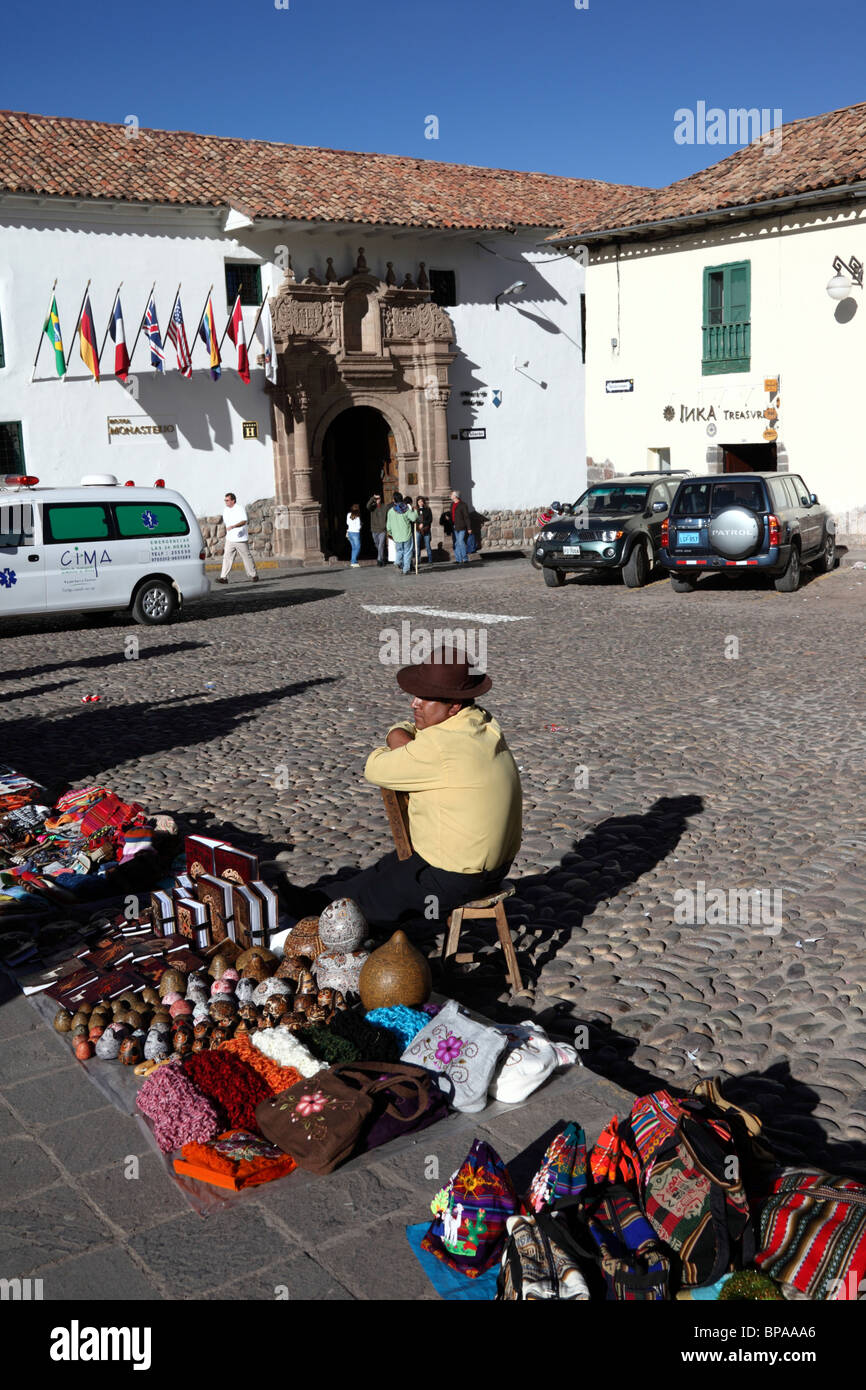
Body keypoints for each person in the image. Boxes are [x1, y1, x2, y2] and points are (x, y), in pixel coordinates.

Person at [278, 646, 523, 932]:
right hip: (491, 868)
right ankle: (312, 900)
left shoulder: (441, 747)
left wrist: (398, 740)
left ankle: (317, 921)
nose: (414, 704)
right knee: (381, 871)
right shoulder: (481, 722)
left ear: (453, 706)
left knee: (365, 906)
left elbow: (376, 767)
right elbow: (413, 731)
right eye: (415, 695)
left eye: (425, 699)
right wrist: (401, 735)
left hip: (454, 878)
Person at [217, 492, 259, 584]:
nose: (226, 502)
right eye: (225, 500)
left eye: (227, 500)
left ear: (233, 500)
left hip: (240, 539)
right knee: (227, 557)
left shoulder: (240, 508)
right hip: (230, 539)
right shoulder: (225, 510)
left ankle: (253, 575)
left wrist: (234, 526)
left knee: (246, 557)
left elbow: (244, 521)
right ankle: (224, 577)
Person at [386, 491, 418, 575]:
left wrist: (391, 533)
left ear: (394, 500)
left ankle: (397, 562)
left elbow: (388, 526)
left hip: (397, 536)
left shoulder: (390, 511)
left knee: (399, 551)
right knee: (407, 551)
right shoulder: (405, 509)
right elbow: (414, 518)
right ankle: (406, 569)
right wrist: (415, 511)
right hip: (406, 534)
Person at [366, 491, 389, 566]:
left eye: (379, 499)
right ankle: (383, 557)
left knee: (381, 545)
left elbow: (389, 516)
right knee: (377, 544)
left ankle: (379, 560)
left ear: (381, 499)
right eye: (376, 499)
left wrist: (386, 526)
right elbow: (367, 506)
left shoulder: (385, 507)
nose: (378, 500)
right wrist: (373, 498)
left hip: (382, 530)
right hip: (374, 530)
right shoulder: (372, 507)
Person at [450, 490, 471, 565]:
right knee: (456, 543)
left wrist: (469, 528)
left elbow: (466, 517)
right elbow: (452, 514)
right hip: (454, 526)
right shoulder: (452, 504)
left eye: (452, 494)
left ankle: (465, 558)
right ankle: (458, 559)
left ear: (455, 496)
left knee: (460, 541)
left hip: (461, 526)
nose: (450, 496)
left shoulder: (463, 505)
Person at [416, 496, 433, 564]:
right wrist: (418, 525)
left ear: (423, 502)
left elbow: (430, 519)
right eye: (419, 501)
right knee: (417, 545)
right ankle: (418, 560)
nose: (420, 503)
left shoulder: (428, 509)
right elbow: (414, 519)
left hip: (426, 530)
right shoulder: (415, 510)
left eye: (421, 501)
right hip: (418, 530)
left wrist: (423, 524)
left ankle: (430, 559)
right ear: (417, 502)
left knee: (428, 545)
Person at [346, 502, 362, 567]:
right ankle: (353, 561)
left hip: (350, 532)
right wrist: (361, 525)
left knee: (353, 548)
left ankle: (354, 562)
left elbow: (347, 523)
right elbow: (358, 527)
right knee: (358, 547)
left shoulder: (348, 514)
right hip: (355, 533)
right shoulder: (357, 517)